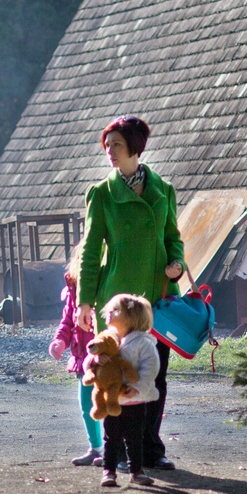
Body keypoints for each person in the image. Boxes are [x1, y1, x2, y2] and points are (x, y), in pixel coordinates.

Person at [75, 115, 184, 473]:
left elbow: (172, 238)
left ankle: (151, 448)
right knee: (116, 378)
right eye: (107, 146)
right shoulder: (102, 194)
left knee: (154, 377)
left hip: (156, 300)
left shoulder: (163, 189)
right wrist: (85, 302)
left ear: (135, 147)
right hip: (118, 304)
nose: (109, 152)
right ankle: (118, 451)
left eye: (116, 145)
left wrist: (177, 264)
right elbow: (90, 252)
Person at [92, 294, 160, 488]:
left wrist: (137, 387)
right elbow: (91, 355)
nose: (109, 313)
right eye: (110, 309)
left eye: (116, 310)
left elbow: (150, 367)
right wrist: (96, 360)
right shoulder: (107, 338)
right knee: (110, 437)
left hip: (134, 400)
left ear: (131, 317)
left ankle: (136, 471)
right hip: (111, 399)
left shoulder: (143, 343)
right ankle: (109, 471)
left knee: (134, 438)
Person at [48, 242, 102, 466]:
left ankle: (114, 446)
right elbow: (68, 320)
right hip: (83, 360)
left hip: (104, 356)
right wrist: (60, 340)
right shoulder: (74, 289)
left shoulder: (105, 286)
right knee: (87, 404)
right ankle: (96, 447)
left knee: (108, 403)